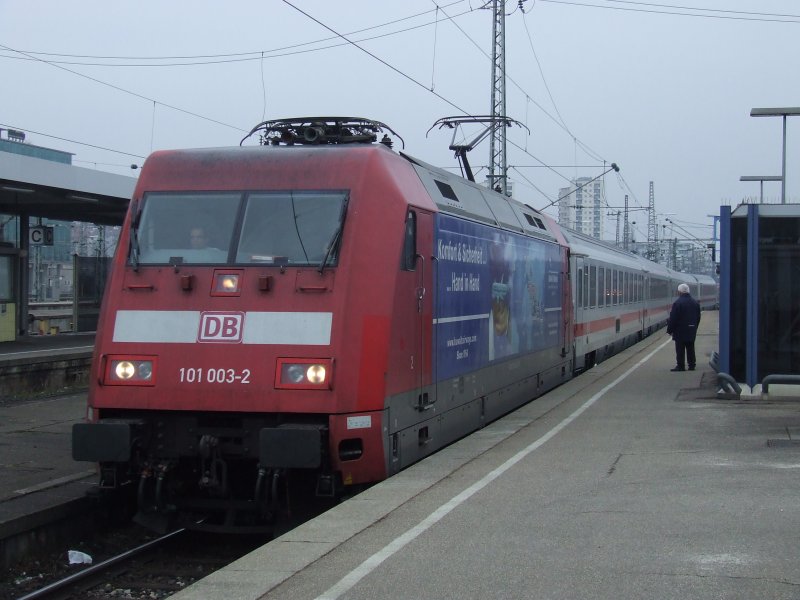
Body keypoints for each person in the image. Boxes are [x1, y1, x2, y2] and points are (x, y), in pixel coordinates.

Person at [667, 283, 701, 371]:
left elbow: (673, 318)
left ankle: (681, 366)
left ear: (679, 292)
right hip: (691, 329)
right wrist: (695, 327)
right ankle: (692, 365)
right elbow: (698, 317)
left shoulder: (677, 303)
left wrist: (669, 330)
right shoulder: (695, 303)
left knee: (680, 349)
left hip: (680, 330)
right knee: (691, 347)